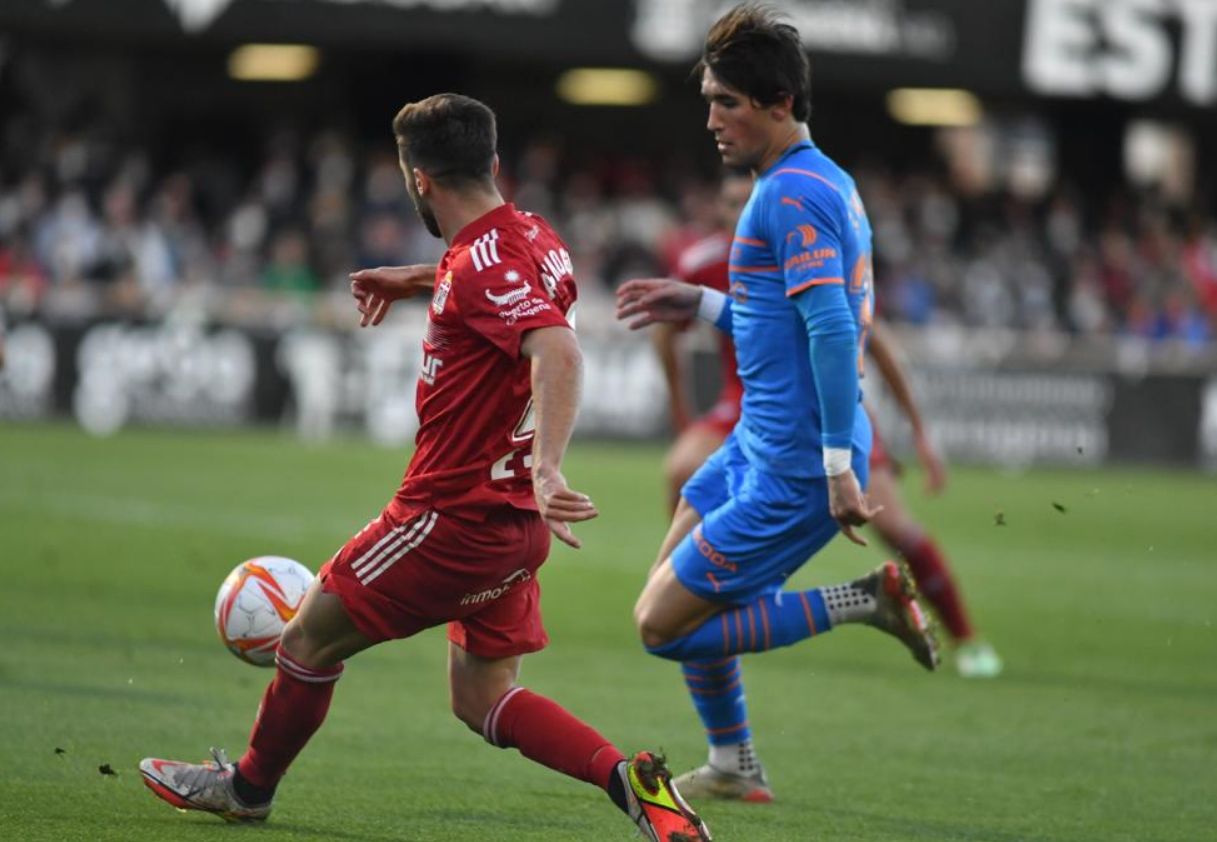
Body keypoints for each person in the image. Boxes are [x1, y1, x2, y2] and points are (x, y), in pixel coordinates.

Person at [139, 93, 711, 842]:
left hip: (449, 517)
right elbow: (480, 271)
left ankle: (247, 788)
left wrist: (548, 468)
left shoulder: (479, 267)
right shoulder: (538, 236)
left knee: (307, 640)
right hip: (511, 533)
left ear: (417, 181)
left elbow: (557, 349)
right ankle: (628, 782)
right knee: (481, 699)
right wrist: (409, 281)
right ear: (493, 165)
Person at [615, 4, 939, 805]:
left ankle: (863, 600)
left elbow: (833, 327)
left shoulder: (788, 195)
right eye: (709, 100)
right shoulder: (811, 181)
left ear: (779, 103)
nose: (712, 120)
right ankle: (733, 764)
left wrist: (835, 466)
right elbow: (784, 321)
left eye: (727, 102)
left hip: (794, 463)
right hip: (757, 443)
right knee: (674, 593)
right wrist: (702, 303)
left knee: (661, 626)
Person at [865, 322, 1003, 678]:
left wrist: (920, 434)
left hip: (840, 418)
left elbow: (877, 345)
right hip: (758, 410)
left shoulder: (834, 271)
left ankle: (967, 638)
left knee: (896, 527)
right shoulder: (716, 270)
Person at [654, 170, 752, 514]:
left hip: (800, 404)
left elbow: (862, 340)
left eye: (749, 202)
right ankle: (676, 569)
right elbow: (664, 331)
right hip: (742, 398)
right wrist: (680, 407)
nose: (740, 212)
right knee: (683, 470)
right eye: (732, 203)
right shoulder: (704, 263)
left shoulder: (801, 257)